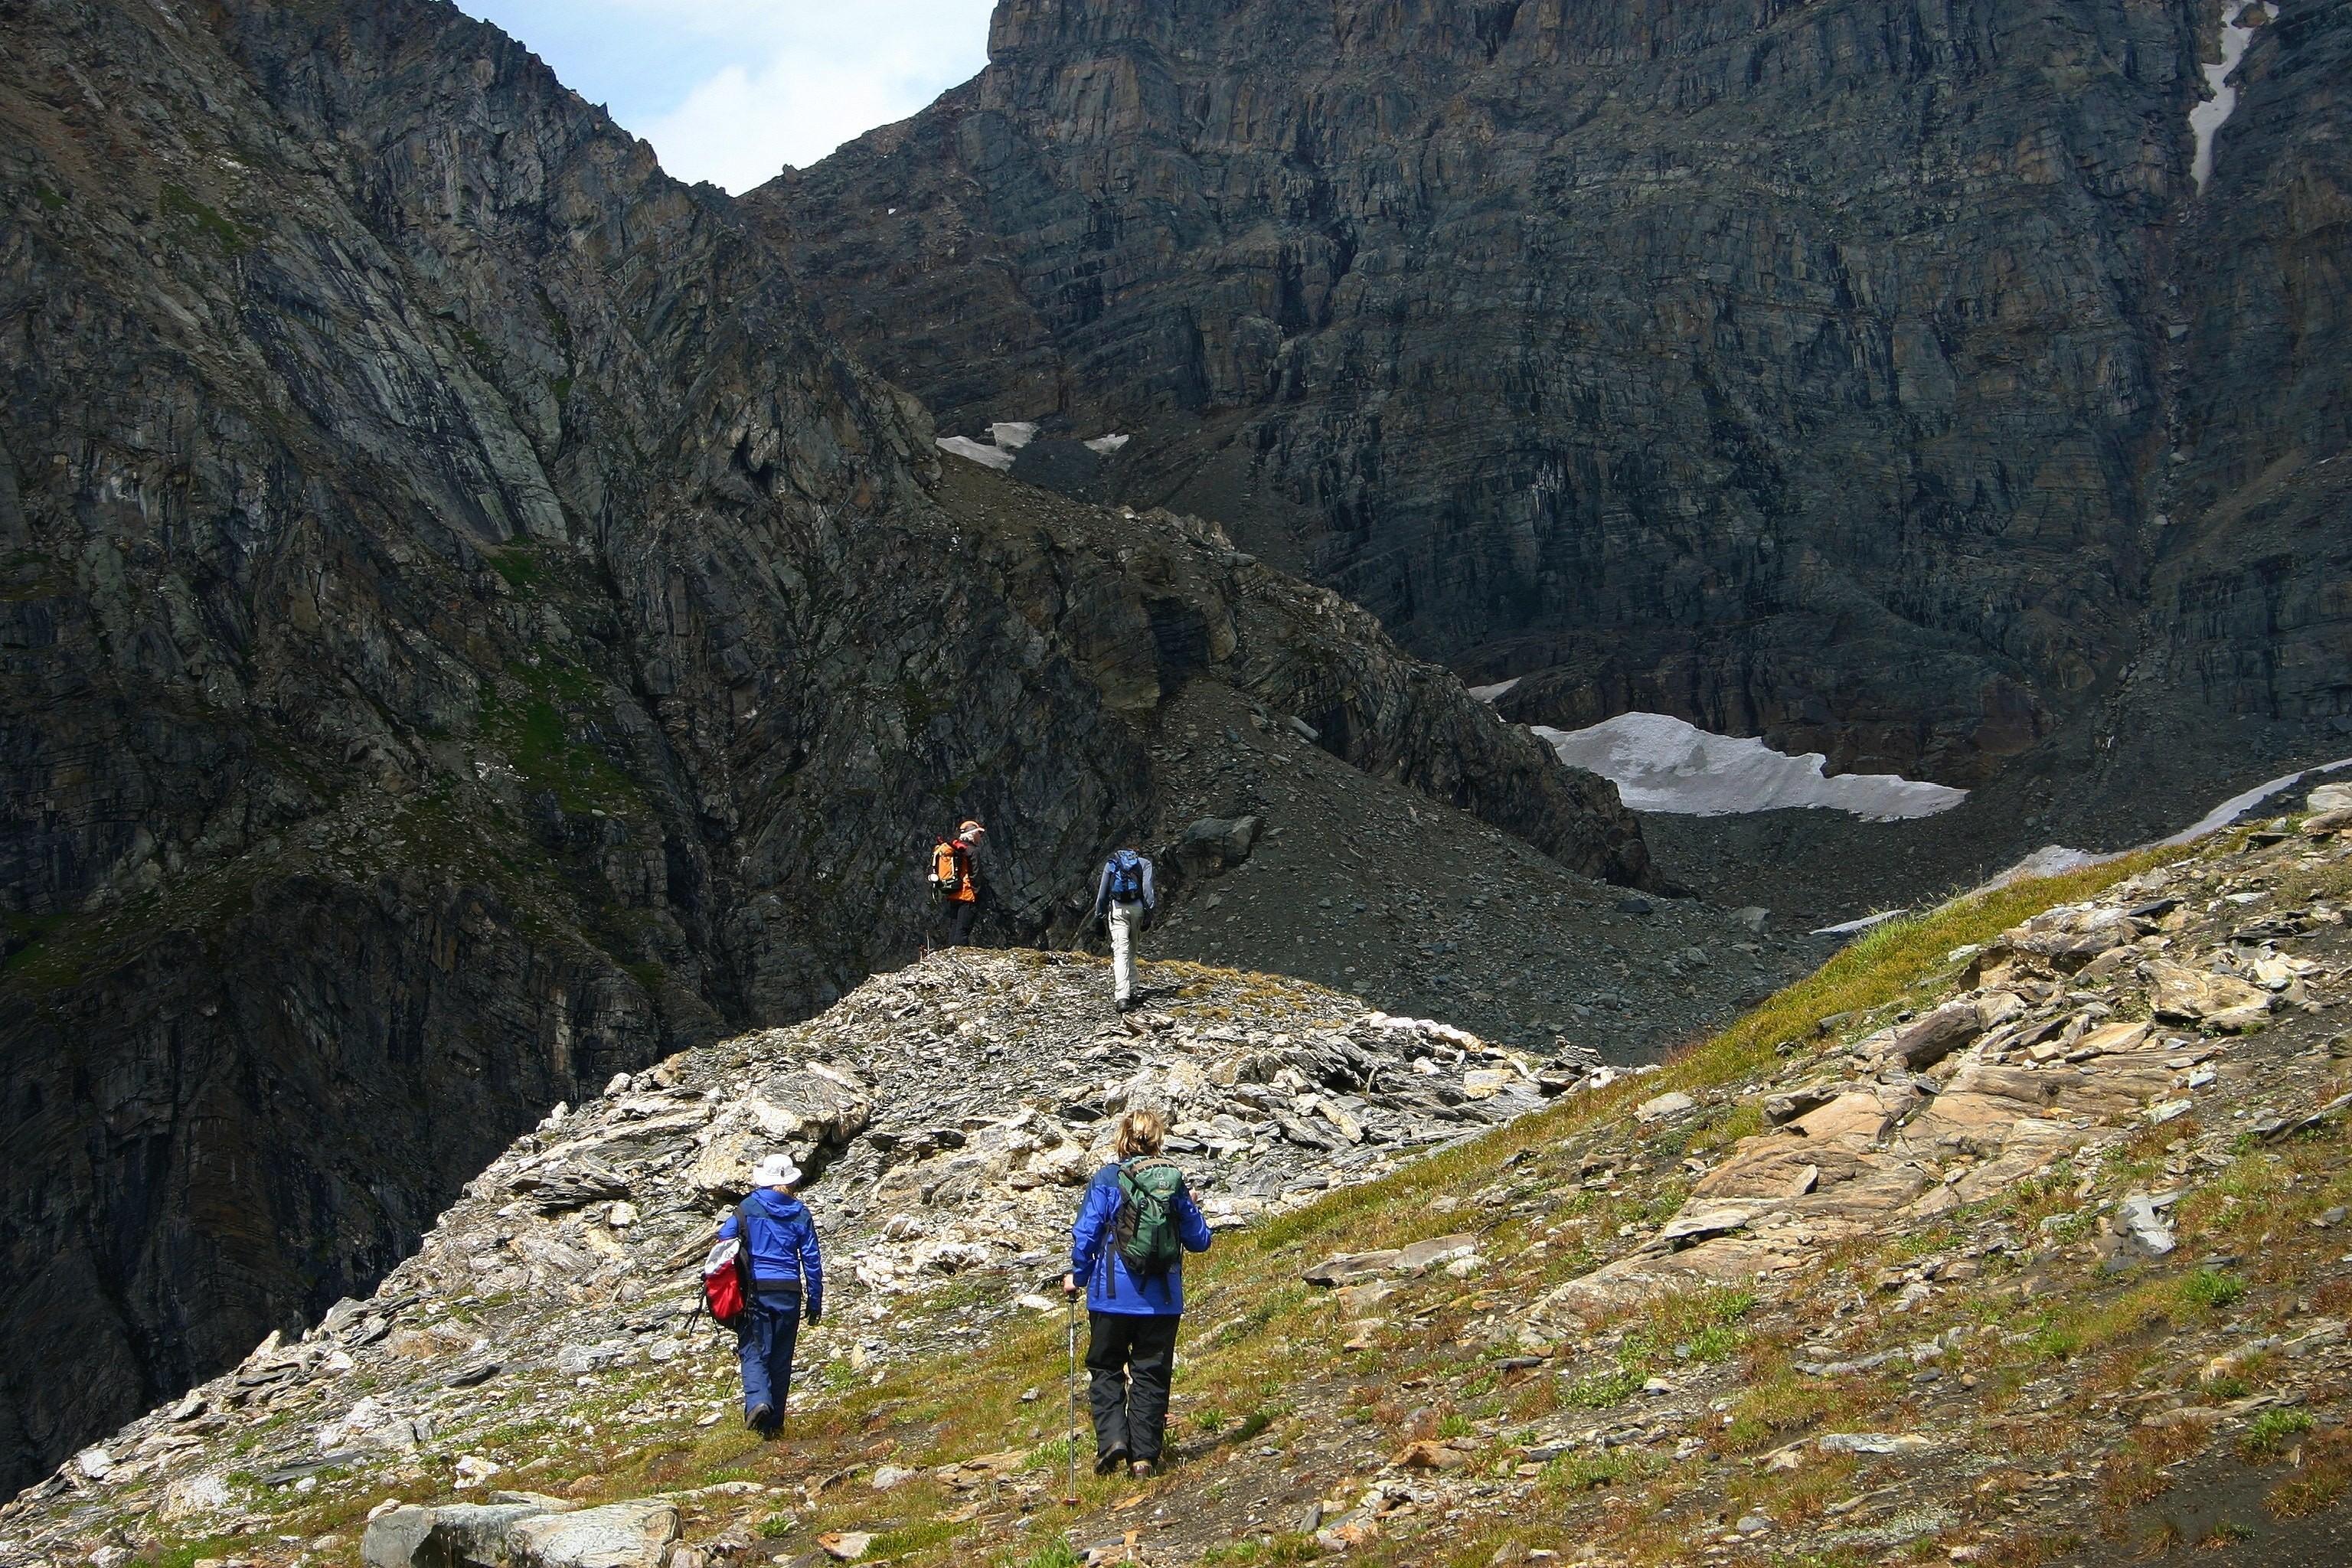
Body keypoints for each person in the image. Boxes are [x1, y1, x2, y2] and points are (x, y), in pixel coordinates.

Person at [1063, 1109, 1211, 1478]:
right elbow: (1199, 1241)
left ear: (1123, 1139)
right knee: (1151, 1372)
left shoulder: (1106, 1179)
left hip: (1110, 1295)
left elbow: (1086, 1235)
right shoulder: (1173, 1182)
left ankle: (1114, 1441)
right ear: (1158, 1138)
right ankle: (1144, 1458)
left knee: (1106, 1366)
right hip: (1161, 1300)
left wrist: (1077, 1276)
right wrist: (1189, 1205)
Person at [717, 1152, 823, 1436]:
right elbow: (811, 1259)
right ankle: (773, 1426)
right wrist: (815, 1300)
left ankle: (758, 1403)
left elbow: (724, 1240)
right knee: (780, 1357)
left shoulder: (748, 1207)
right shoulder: (801, 1213)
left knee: (754, 1349)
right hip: (789, 1292)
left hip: (756, 1291)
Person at [1090, 846, 1156, 1011]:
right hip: (1137, 908)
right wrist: (1150, 913)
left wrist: (1099, 918)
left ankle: (1122, 996)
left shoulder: (1111, 864)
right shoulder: (1144, 864)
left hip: (1118, 908)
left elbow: (1102, 895)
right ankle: (1132, 988)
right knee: (1132, 950)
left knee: (1121, 952)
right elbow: (1148, 889)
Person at [931, 820, 986, 947]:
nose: (980, 836)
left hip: (953, 893)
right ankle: (960, 956)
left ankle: (951, 954)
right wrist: (977, 895)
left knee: (955, 927)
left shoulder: (956, 849)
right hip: (967, 894)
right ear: (972, 834)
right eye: (979, 833)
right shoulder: (972, 851)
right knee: (963, 930)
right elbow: (975, 875)